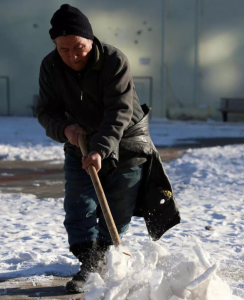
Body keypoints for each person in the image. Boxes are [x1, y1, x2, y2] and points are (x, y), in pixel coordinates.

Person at [35, 4, 180, 293]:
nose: (72, 56)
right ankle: (90, 265)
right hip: (80, 142)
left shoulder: (114, 61)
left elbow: (119, 112)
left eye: (78, 47)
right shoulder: (50, 66)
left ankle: (104, 259)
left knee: (117, 209)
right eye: (63, 49)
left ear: (90, 39)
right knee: (78, 206)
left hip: (127, 143)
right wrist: (65, 130)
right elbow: (45, 111)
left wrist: (100, 149)